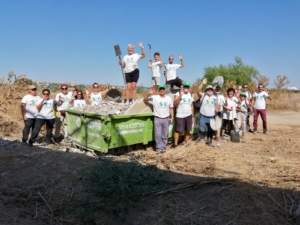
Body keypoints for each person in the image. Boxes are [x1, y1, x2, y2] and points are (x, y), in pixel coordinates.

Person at [144, 85, 173, 153]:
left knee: (165, 134)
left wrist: (172, 117)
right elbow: (145, 100)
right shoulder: (154, 97)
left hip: (166, 118)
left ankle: (163, 147)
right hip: (157, 118)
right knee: (158, 134)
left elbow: (171, 108)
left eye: (163, 89)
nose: (162, 90)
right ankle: (158, 148)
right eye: (160, 89)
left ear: (165, 90)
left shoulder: (169, 98)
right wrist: (149, 94)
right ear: (159, 90)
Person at [173, 81, 194, 147]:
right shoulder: (177, 93)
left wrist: (192, 116)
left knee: (188, 129)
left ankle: (186, 141)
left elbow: (191, 105)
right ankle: (175, 144)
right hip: (180, 115)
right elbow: (175, 104)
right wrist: (180, 97)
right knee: (177, 130)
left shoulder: (190, 94)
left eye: (187, 87)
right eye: (185, 87)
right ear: (183, 87)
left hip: (188, 115)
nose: (186, 88)